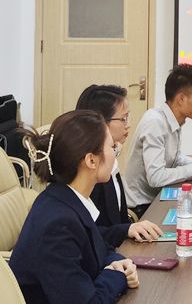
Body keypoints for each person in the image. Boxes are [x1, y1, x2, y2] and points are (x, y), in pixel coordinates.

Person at [10, 110, 139, 304]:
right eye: (112, 147)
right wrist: (117, 275)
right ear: (91, 160)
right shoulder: (58, 224)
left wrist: (120, 263)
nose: (115, 154)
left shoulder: (67, 198)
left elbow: (99, 249)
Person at [124, 64, 192, 218]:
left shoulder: (173, 119)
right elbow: (156, 177)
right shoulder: (155, 123)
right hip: (143, 209)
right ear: (181, 99)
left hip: (158, 199)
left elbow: (174, 158)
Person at [76, 84, 162, 246]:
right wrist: (126, 230)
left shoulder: (111, 157)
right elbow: (88, 234)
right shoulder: (88, 170)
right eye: (123, 119)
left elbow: (118, 219)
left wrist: (130, 228)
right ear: (98, 122)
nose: (128, 125)